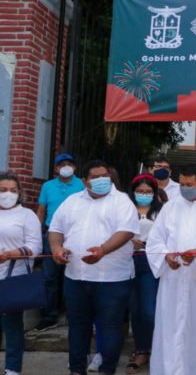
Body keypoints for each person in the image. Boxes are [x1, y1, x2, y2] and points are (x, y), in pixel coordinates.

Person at [48, 160, 139, 375]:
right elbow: (55, 228)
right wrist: (56, 248)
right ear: (85, 181)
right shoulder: (72, 201)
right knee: (78, 328)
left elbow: (126, 231)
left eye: (105, 176)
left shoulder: (122, 201)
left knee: (109, 329)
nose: (102, 180)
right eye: (96, 177)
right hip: (76, 277)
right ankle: (77, 370)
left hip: (112, 279)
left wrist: (103, 250)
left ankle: (108, 370)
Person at [145, 165, 196, 375]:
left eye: (189, 185)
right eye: (181, 184)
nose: (184, 188)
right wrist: (166, 256)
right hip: (172, 277)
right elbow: (155, 240)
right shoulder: (170, 207)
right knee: (168, 326)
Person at [35, 153, 85, 332]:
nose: (65, 167)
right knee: (50, 277)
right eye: (61, 164)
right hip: (51, 235)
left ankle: (72, 313)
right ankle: (50, 315)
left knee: (72, 275)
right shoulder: (47, 186)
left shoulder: (81, 185)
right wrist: (37, 232)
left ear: (75, 168)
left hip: (74, 236)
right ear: (56, 168)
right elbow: (41, 210)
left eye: (69, 164)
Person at [0, 172, 42, 375]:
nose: (8, 194)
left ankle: (12, 369)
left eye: (12, 190)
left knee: (12, 326)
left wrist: (9, 254)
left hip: (12, 278)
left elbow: (35, 246)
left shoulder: (27, 215)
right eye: (2, 190)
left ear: (19, 193)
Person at [125, 174, 165, 374]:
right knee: (135, 309)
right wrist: (129, 241)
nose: (144, 195)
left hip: (151, 261)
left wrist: (148, 244)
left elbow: (167, 235)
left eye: (148, 191)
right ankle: (140, 350)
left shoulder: (161, 212)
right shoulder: (125, 210)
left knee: (149, 310)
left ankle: (154, 347)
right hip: (129, 261)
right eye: (140, 191)